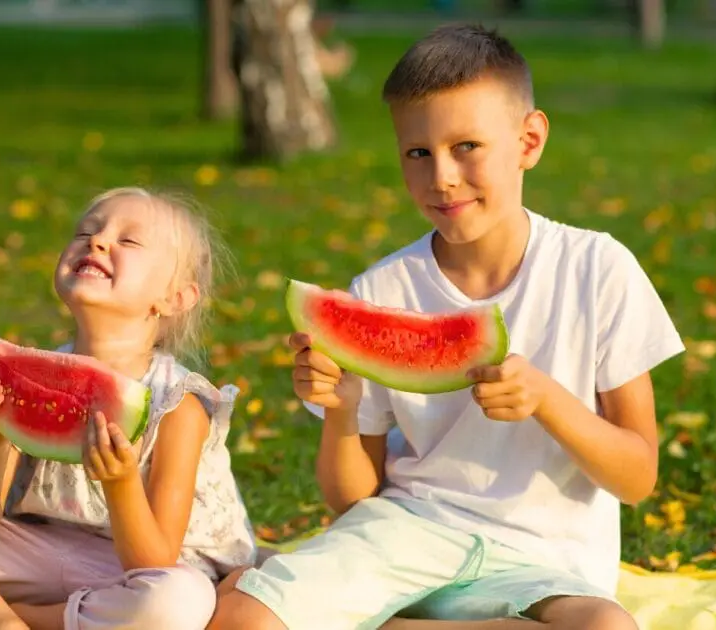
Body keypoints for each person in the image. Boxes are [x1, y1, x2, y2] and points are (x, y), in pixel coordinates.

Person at [208, 22, 684, 630]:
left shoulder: (597, 268)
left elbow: (637, 478)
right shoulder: (382, 290)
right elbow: (352, 499)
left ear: (529, 141)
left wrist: (547, 400)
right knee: (243, 620)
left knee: (608, 628)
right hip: (406, 534)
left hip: (543, 565)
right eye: (418, 153)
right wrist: (342, 411)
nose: (442, 177)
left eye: (467, 147)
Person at [0, 186, 258, 630]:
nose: (98, 241)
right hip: (37, 553)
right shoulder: (31, 377)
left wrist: (121, 483)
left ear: (175, 298)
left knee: (181, 600)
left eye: (128, 240)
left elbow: (154, 560)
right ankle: (3, 624)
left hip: (137, 574)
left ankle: (10, 617)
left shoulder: (179, 405)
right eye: (85, 232)